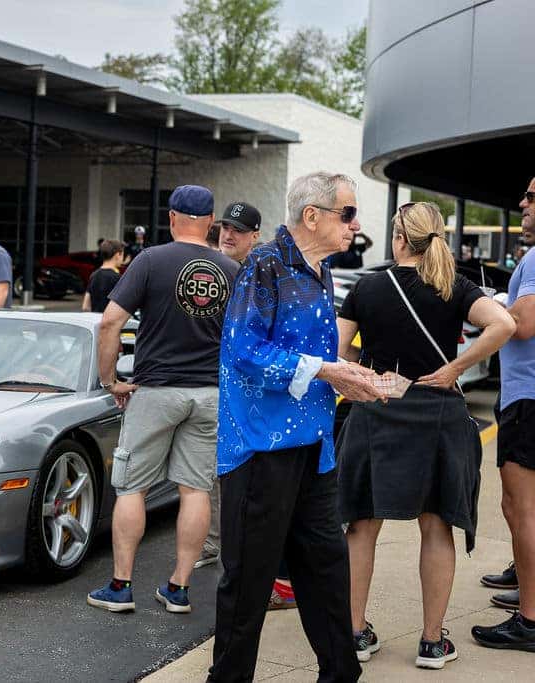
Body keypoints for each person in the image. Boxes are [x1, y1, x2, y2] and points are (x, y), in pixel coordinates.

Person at [210, 171, 386, 682]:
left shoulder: (318, 269)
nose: (356, 224)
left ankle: (340, 674)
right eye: (348, 213)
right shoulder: (264, 265)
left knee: (326, 571)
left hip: (313, 445)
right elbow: (245, 352)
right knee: (247, 584)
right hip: (261, 450)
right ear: (313, 216)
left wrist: (345, 379)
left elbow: (309, 358)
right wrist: (328, 370)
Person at [336, 201, 514, 669]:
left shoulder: (369, 287)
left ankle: (354, 634)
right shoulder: (453, 285)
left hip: (377, 411)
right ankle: (433, 643)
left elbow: (336, 353)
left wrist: (366, 377)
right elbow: (504, 324)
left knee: (361, 526)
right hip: (437, 412)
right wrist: (455, 367)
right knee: (436, 526)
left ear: (398, 239)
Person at [86, 185, 239, 615]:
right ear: (212, 223)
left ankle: (121, 586)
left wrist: (109, 379)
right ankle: (178, 589)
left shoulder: (150, 260)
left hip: (156, 390)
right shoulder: (230, 268)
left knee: (132, 486)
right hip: (210, 394)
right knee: (195, 490)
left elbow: (110, 322)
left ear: (172, 218)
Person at [472, 178, 535, 651]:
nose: (522, 203)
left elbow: (523, 323)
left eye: (532, 196)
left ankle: (530, 620)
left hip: (527, 399)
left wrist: (489, 306)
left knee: (521, 508)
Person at [197, 201, 263, 573]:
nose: (229, 234)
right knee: (212, 469)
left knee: (243, 471)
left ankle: (238, 543)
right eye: (225, 227)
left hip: (249, 390)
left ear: (254, 235)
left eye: (238, 229)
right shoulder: (215, 270)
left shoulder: (258, 273)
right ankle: (214, 541)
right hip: (214, 385)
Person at [82, 239, 124, 313]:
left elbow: (85, 306)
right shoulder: (118, 278)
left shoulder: (93, 275)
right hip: (111, 322)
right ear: (117, 255)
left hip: (95, 321)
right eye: (123, 255)